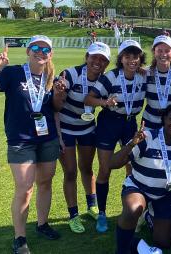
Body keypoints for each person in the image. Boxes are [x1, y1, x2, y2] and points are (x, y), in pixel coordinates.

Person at [0, 35, 63, 253]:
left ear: (50, 54)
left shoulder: (52, 78)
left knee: (45, 183)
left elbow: (54, 111)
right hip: (21, 141)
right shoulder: (12, 72)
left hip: (48, 138)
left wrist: (59, 137)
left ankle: (42, 224)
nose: (40, 52)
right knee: (24, 189)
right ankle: (20, 238)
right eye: (35, 47)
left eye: (45, 49)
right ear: (28, 51)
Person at [84, 39, 147, 233]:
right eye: (127, 57)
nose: (132, 61)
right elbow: (88, 99)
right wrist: (105, 102)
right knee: (105, 168)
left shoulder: (143, 76)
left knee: (133, 168)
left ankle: (133, 213)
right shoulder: (110, 77)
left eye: (135, 57)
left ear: (140, 59)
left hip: (130, 123)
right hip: (109, 123)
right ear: (121, 59)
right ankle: (102, 213)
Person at [110, 103, 171, 253]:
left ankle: (148, 216)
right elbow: (112, 164)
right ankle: (123, 248)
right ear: (164, 118)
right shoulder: (147, 137)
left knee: (164, 242)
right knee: (133, 209)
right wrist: (132, 143)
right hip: (139, 188)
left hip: (164, 194)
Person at [57, 42, 111, 233]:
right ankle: (73, 215)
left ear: (107, 63)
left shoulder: (104, 80)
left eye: (103, 59)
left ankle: (92, 206)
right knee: (70, 172)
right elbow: (55, 102)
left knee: (87, 169)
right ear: (87, 57)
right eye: (94, 57)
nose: (98, 61)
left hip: (88, 129)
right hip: (65, 130)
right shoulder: (70, 74)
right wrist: (59, 89)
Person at [142, 34, 171, 129]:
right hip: (149, 125)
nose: (163, 54)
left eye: (167, 51)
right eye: (159, 50)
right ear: (154, 52)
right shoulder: (145, 73)